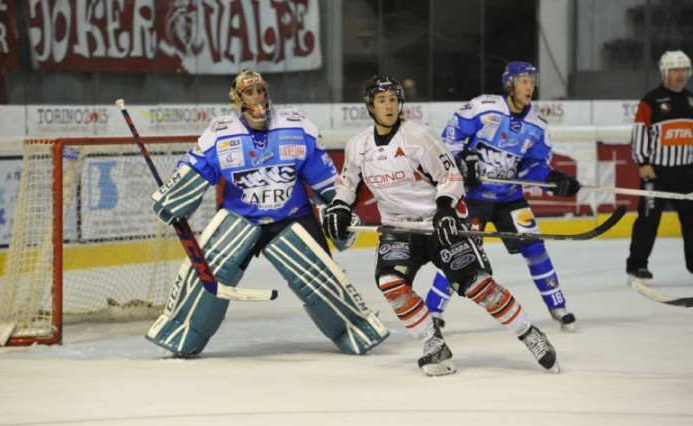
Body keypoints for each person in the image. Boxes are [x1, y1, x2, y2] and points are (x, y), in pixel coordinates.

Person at [323, 75, 559, 376]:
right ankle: (433, 343)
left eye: (393, 99)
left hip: (440, 224)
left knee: (477, 287)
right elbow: (348, 183)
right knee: (390, 283)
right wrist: (340, 206)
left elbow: (451, 177)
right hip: (399, 228)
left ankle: (529, 333)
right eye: (381, 100)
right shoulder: (358, 145)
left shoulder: (419, 136)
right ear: (370, 106)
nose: (389, 106)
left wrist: (446, 209)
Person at [147, 69, 389, 358]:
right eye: (249, 92)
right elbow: (195, 170)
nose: (257, 97)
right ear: (237, 98)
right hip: (240, 217)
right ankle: (182, 335)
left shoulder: (297, 126)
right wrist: (174, 197)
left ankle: (355, 330)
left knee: (321, 277)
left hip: (292, 216)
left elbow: (325, 178)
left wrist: (338, 208)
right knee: (206, 275)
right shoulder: (219, 134)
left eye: (260, 91)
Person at [424, 61, 580, 333]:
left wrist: (553, 179)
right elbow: (451, 136)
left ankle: (558, 306)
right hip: (474, 197)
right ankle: (433, 312)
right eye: (523, 80)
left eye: (532, 81)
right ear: (509, 84)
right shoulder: (485, 108)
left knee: (535, 248)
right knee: (459, 251)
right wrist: (461, 160)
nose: (529, 86)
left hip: (509, 198)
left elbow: (533, 166)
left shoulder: (538, 126)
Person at [626, 50, 693, 285]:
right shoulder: (651, 100)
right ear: (665, 72)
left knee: (692, 220)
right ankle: (637, 266)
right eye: (675, 69)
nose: (680, 74)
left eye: (684, 69)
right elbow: (639, 132)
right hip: (656, 173)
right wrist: (643, 162)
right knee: (648, 219)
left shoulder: (690, 99)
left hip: (687, 173)